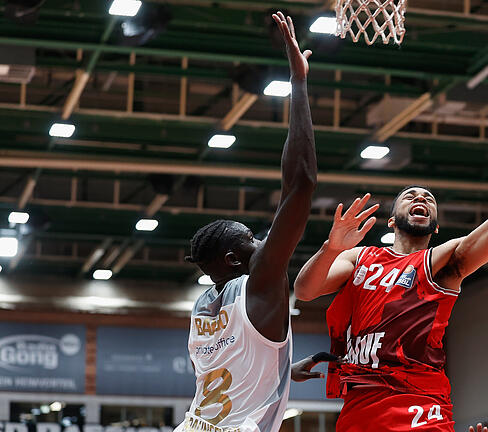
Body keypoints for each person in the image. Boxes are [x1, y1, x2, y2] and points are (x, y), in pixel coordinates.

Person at [294, 96, 488, 431]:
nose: (421, 198)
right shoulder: (359, 257)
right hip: (361, 407)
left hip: (420, 406)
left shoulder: (444, 263)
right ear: (391, 221)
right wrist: (329, 248)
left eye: (429, 199)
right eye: (410, 196)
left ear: (435, 226)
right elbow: (305, 291)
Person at [175, 12, 321, 432]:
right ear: (235, 259)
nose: (264, 244)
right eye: (252, 241)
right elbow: (302, 182)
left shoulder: (203, 312)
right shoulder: (258, 283)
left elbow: (228, 374)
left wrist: (282, 367)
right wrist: (299, 82)